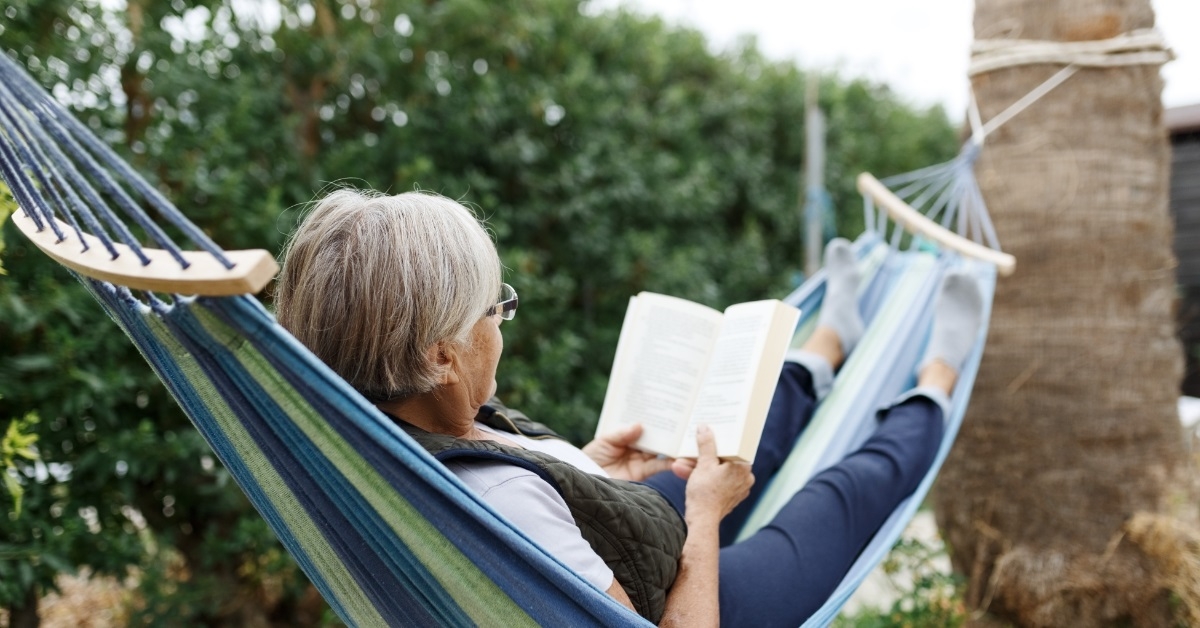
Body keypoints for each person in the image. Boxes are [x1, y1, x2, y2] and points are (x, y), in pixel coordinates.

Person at [275, 189, 983, 627]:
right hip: (699, 605)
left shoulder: (403, 430)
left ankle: (826, 344)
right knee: (846, 491)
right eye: (497, 309)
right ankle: (935, 375)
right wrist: (704, 515)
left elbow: (534, 518)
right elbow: (529, 524)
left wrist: (588, 469)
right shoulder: (502, 502)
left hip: (633, 540)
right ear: (440, 356)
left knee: (740, 429)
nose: (502, 323)